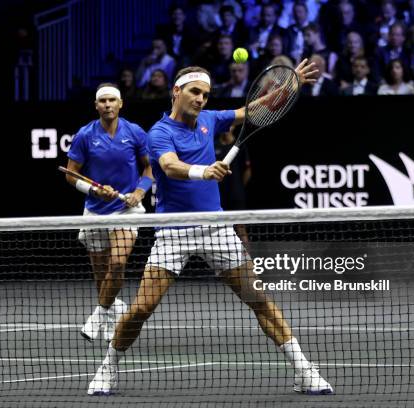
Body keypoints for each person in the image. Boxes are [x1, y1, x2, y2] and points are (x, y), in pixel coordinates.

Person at [87, 61, 334, 396]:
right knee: (141, 308)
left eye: (205, 93)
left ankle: (304, 369)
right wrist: (203, 172)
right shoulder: (159, 133)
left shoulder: (209, 119)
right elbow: (169, 166)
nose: (201, 99)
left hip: (217, 229)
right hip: (173, 231)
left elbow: (251, 110)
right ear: (177, 91)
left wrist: (289, 85)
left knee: (258, 299)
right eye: (194, 92)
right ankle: (107, 368)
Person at [65, 83, 153, 342]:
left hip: (127, 210)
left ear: (120, 103)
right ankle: (114, 312)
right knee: (102, 275)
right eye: (102, 101)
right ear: (96, 106)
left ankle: (98, 313)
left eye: (111, 100)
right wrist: (94, 191)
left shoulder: (135, 132)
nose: (107, 104)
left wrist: (139, 192)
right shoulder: (84, 135)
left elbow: (149, 169)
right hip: (94, 211)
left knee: (117, 263)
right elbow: (71, 174)